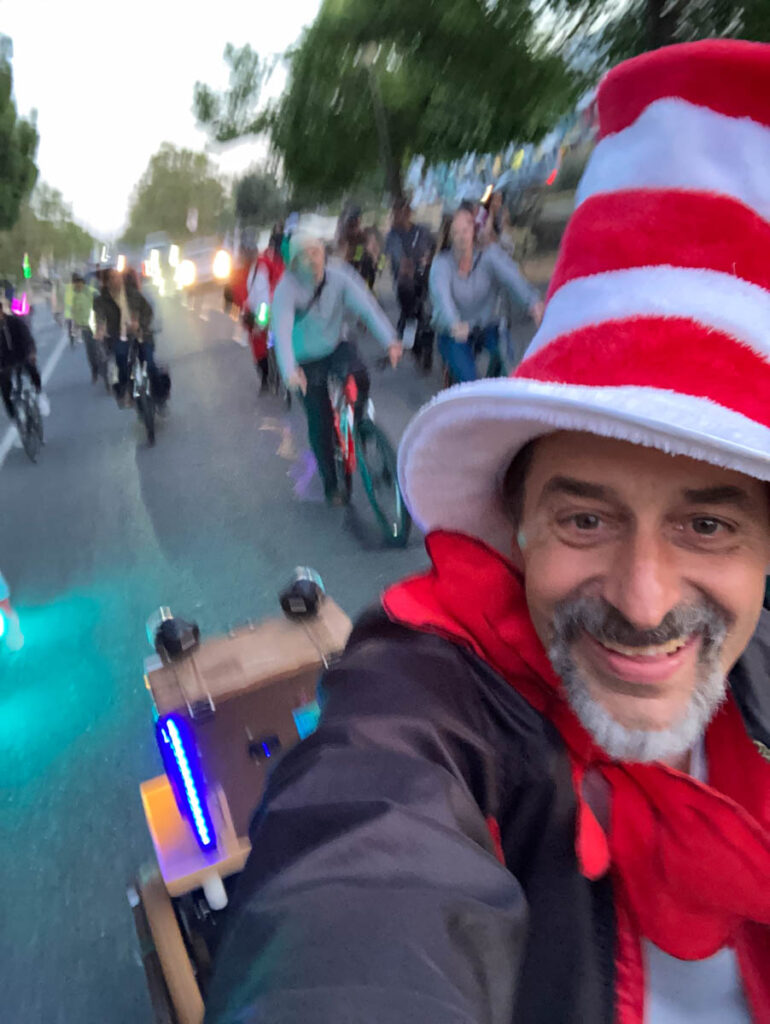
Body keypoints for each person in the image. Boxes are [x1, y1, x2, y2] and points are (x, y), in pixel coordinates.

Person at [205, 41, 770, 1022]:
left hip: (379, 339)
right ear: (513, 525)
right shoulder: (425, 687)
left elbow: (392, 301)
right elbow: (365, 843)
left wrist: (386, 338)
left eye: (708, 522)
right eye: (583, 516)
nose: (642, 600)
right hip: (314, 356)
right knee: (343, 422)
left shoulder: (381, 272)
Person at [272, 218, 402, 505]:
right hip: (304, 359)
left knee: (361, 375)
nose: (313, 258)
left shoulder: (339, 275)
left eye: (316, 251)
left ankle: (361, 425)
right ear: (294, 262)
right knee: (319, 422)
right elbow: (281, 333)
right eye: (304, 254)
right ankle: (332, 485)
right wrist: (290, 370)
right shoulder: (286, 289)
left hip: (334, 345)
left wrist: (390, 340)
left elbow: (367, 307)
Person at [429, 206, 544, 383]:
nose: (462, 237)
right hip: (454, 333)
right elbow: (442, 299)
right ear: (450, 235)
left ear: (474, 229)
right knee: (470, 382)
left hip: (487, 325)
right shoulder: (441, 264)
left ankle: (500, 391)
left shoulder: (489, 255)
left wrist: (532, 303)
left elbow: (512, 278)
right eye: (456, 232)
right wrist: (454, 324)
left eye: (465, 230)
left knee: (509, 366)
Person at [385, 198, 435, 371]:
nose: (401, 216)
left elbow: (433, 247)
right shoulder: (392, 235)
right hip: (404, 285)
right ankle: (416, 349)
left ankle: (425, 350)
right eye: (398, 213)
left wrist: (428, 259)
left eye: (405, 212)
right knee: (410, 317)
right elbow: (396, 257)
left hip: (423, 280)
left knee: (425, 316)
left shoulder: (422, 231)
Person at [94, 268, 154, 406]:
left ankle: (160, 397)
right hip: (119, 336)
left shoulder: (132, 294)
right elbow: (100, 317)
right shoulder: (101, 301)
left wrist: (140, 324)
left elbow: (147, 311)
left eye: (118, 276)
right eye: (113, 278)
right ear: (107, 282)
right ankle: (125, 392)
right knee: (122, 359)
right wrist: (101, 329)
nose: (117, 280)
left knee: (150, 364)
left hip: (140, 333)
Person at [245, 236, 286, 393]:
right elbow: (255, 295)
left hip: (272, 309)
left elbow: (263, 300)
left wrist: (260, 324)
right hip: (278, 304)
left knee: (268, 341)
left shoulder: (260, 269)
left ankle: (278, 371)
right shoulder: (260, 264)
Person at [0, 301, 49, 421]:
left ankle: (39, 393)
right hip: (4, 363)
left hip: (21, 356)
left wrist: (32, 352)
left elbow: (27, 337)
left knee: (33, 370)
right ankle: (13, 415)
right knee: (5, 387)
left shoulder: (14, 322)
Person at [71, 275, 99, 381]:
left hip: (98, 325)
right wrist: (75, 326)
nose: (76, 285)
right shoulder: (75, 296)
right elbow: (75, 312)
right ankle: (94, 370)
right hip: (86, 328)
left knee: (102, 349)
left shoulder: (93, 293)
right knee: (91, 351)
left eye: (78, 283)